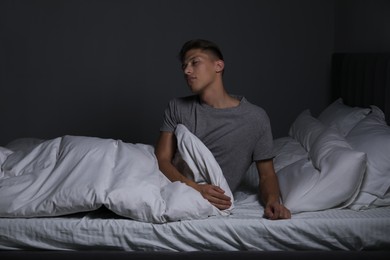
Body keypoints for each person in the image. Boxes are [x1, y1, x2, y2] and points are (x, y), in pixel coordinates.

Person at [155, 39, 291, 220]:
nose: (187, 71)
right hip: (173, 184)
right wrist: (195, 188)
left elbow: (267, 175)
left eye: (195, 62)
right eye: (184, 66)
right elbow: (161, 160)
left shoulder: (255, 118)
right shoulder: (177, 107)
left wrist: (273, 201)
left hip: (209, 193)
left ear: (218, 66)